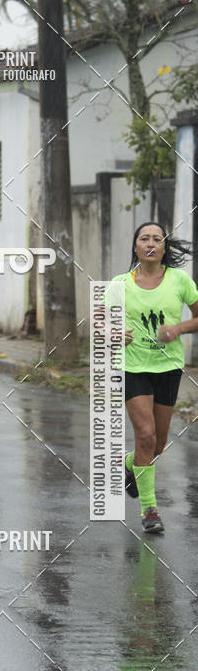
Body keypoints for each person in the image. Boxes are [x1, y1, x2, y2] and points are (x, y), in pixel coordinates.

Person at [111, 222, 198, 533]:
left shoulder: (179, 281)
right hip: (133, 368)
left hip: (169, 368)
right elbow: (98, 326)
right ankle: (149, 510)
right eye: (144, 238)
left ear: (163, 247)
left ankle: (128, 463)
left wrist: (178, 329)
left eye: (156, 239)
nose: (150, 243)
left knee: (158, 445)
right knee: (145, 436)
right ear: (135, 246)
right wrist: (113, 333)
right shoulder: (119, 284)